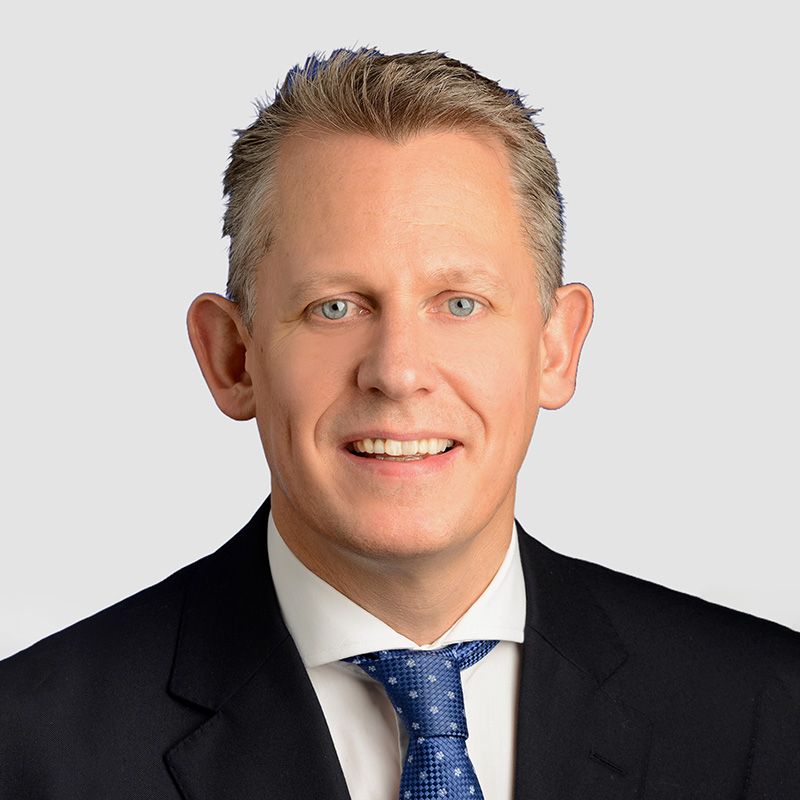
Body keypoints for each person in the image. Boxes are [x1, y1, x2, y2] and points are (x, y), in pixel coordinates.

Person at [1, 47, 798, 800]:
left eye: (461, 303)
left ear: (555, 348)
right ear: (233, 357)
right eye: (335, 307)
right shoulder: (29, 749)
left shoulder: (770, 714)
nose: (398, 370)